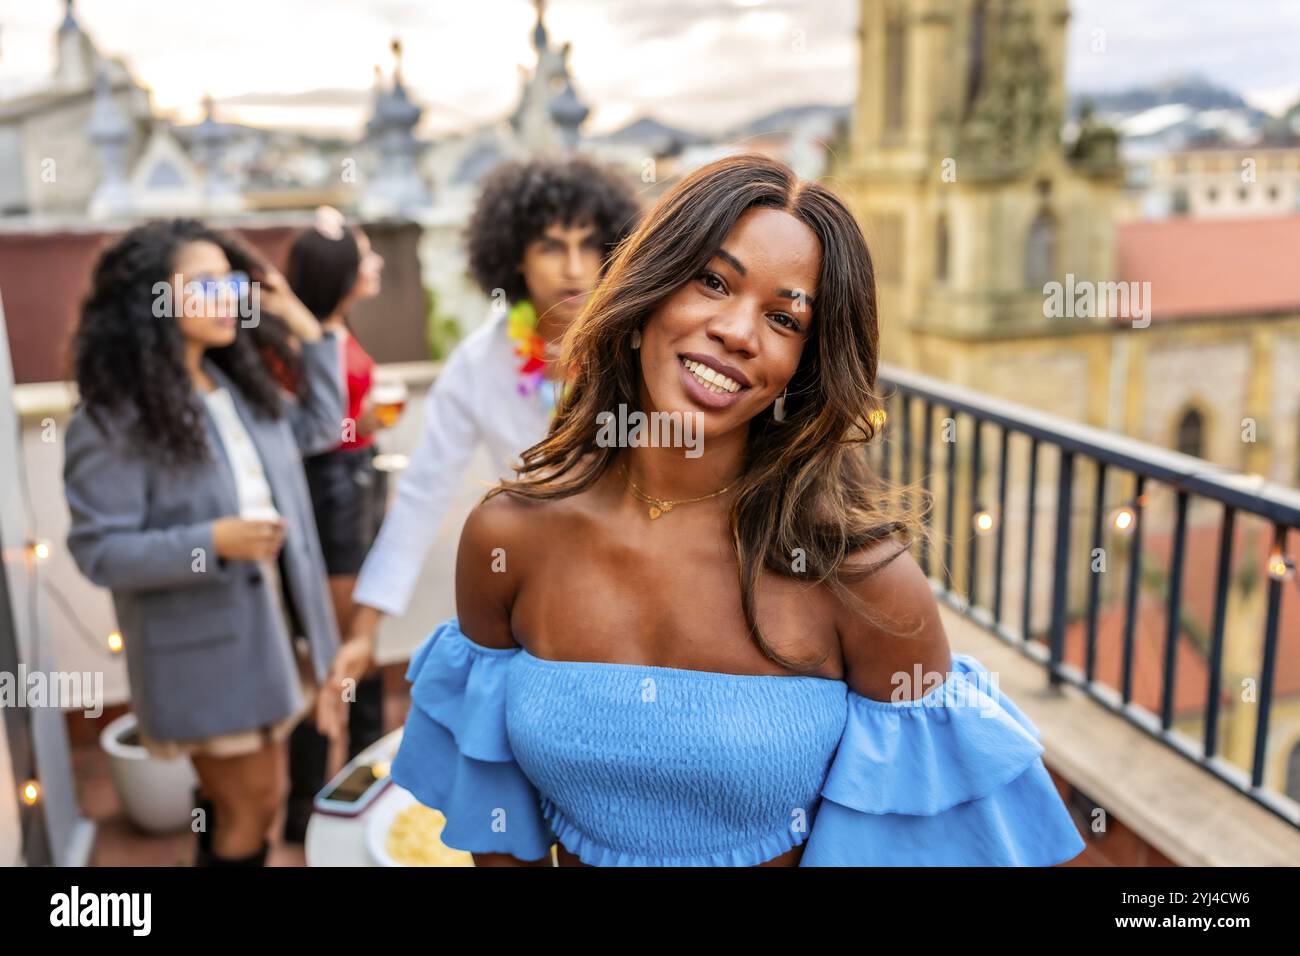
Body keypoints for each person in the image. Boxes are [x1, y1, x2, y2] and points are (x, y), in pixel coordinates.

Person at [388, 154, 1088, 867]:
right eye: (713, 281)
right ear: (644, 297)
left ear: (804, 368)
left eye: (784, 318)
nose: (737, 330)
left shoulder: (864, 581)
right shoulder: (508, 539)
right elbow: (498, 834)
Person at [63, 219, 370, 866]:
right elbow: (100, 551)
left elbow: (321, 425)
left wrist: (299, 320)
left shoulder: (233, 388)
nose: (226, 297)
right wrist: (214, 541)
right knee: (254, 805)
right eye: (203, 284)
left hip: (270, 639)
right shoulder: (114, 419)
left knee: (240, 805)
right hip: (201, 656)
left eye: (230, 282)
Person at [344, 156, 641, 668]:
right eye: (551, 246)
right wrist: (362, 631)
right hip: (541, 594)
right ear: (515, 259)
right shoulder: (479, 363)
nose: (573, 266)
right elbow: (422, 495)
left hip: (643, 579)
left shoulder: (641, 346)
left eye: (589, 244)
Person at [279, 207, 390, 841]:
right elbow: (311, 434)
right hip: (332, 503)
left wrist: (365, 426)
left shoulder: (332, 328)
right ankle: (310, 809)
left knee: (358, 647)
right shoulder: (302, 338)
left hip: (356, 487)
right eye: (365, 255)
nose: (374, 264)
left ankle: (361, 788)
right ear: (341, 272)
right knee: (342, 653)